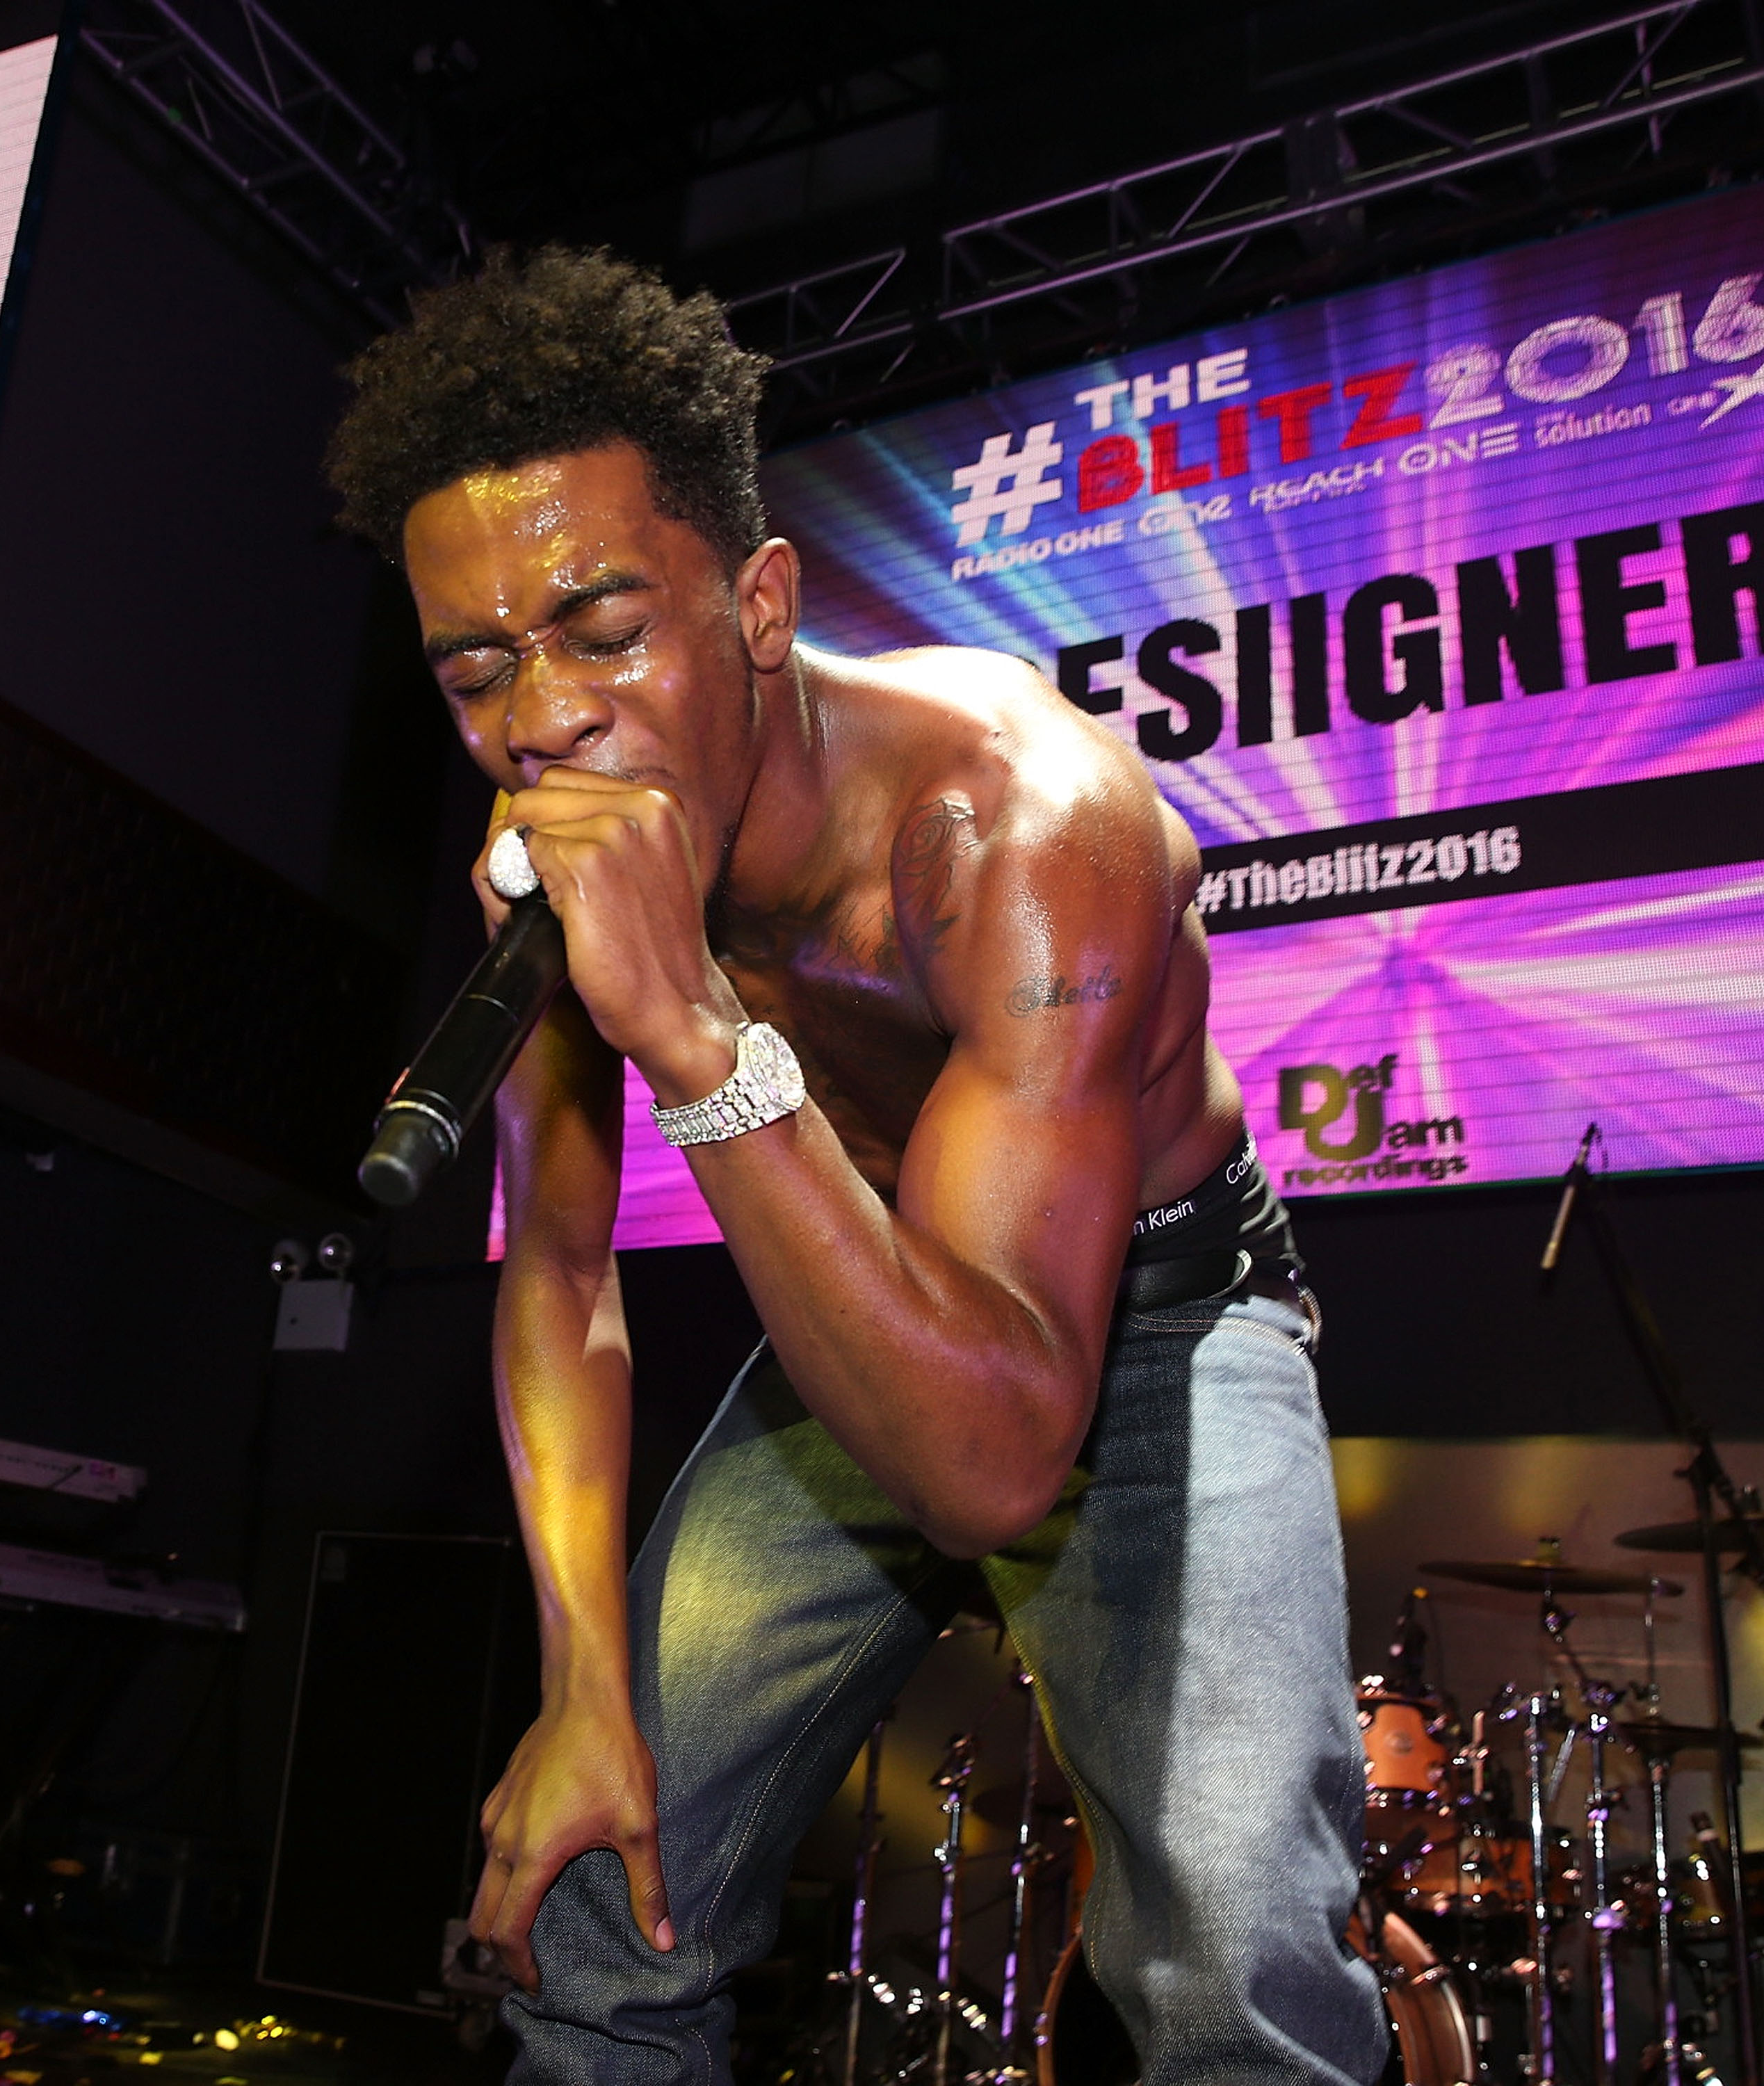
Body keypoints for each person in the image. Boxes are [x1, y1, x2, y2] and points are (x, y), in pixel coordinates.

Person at [327, 245, 1385, 2086]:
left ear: (757, 602)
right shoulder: (551, 861)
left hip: (1154, 1323)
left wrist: (692, 1034)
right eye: (479, 668)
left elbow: (991, 1459)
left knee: (1238, 1969)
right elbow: (559, 1270)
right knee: (605, 1879)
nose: (544, 719)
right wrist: (583, 1692)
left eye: (603, 629)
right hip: (870, 1283)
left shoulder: (1020, 831)